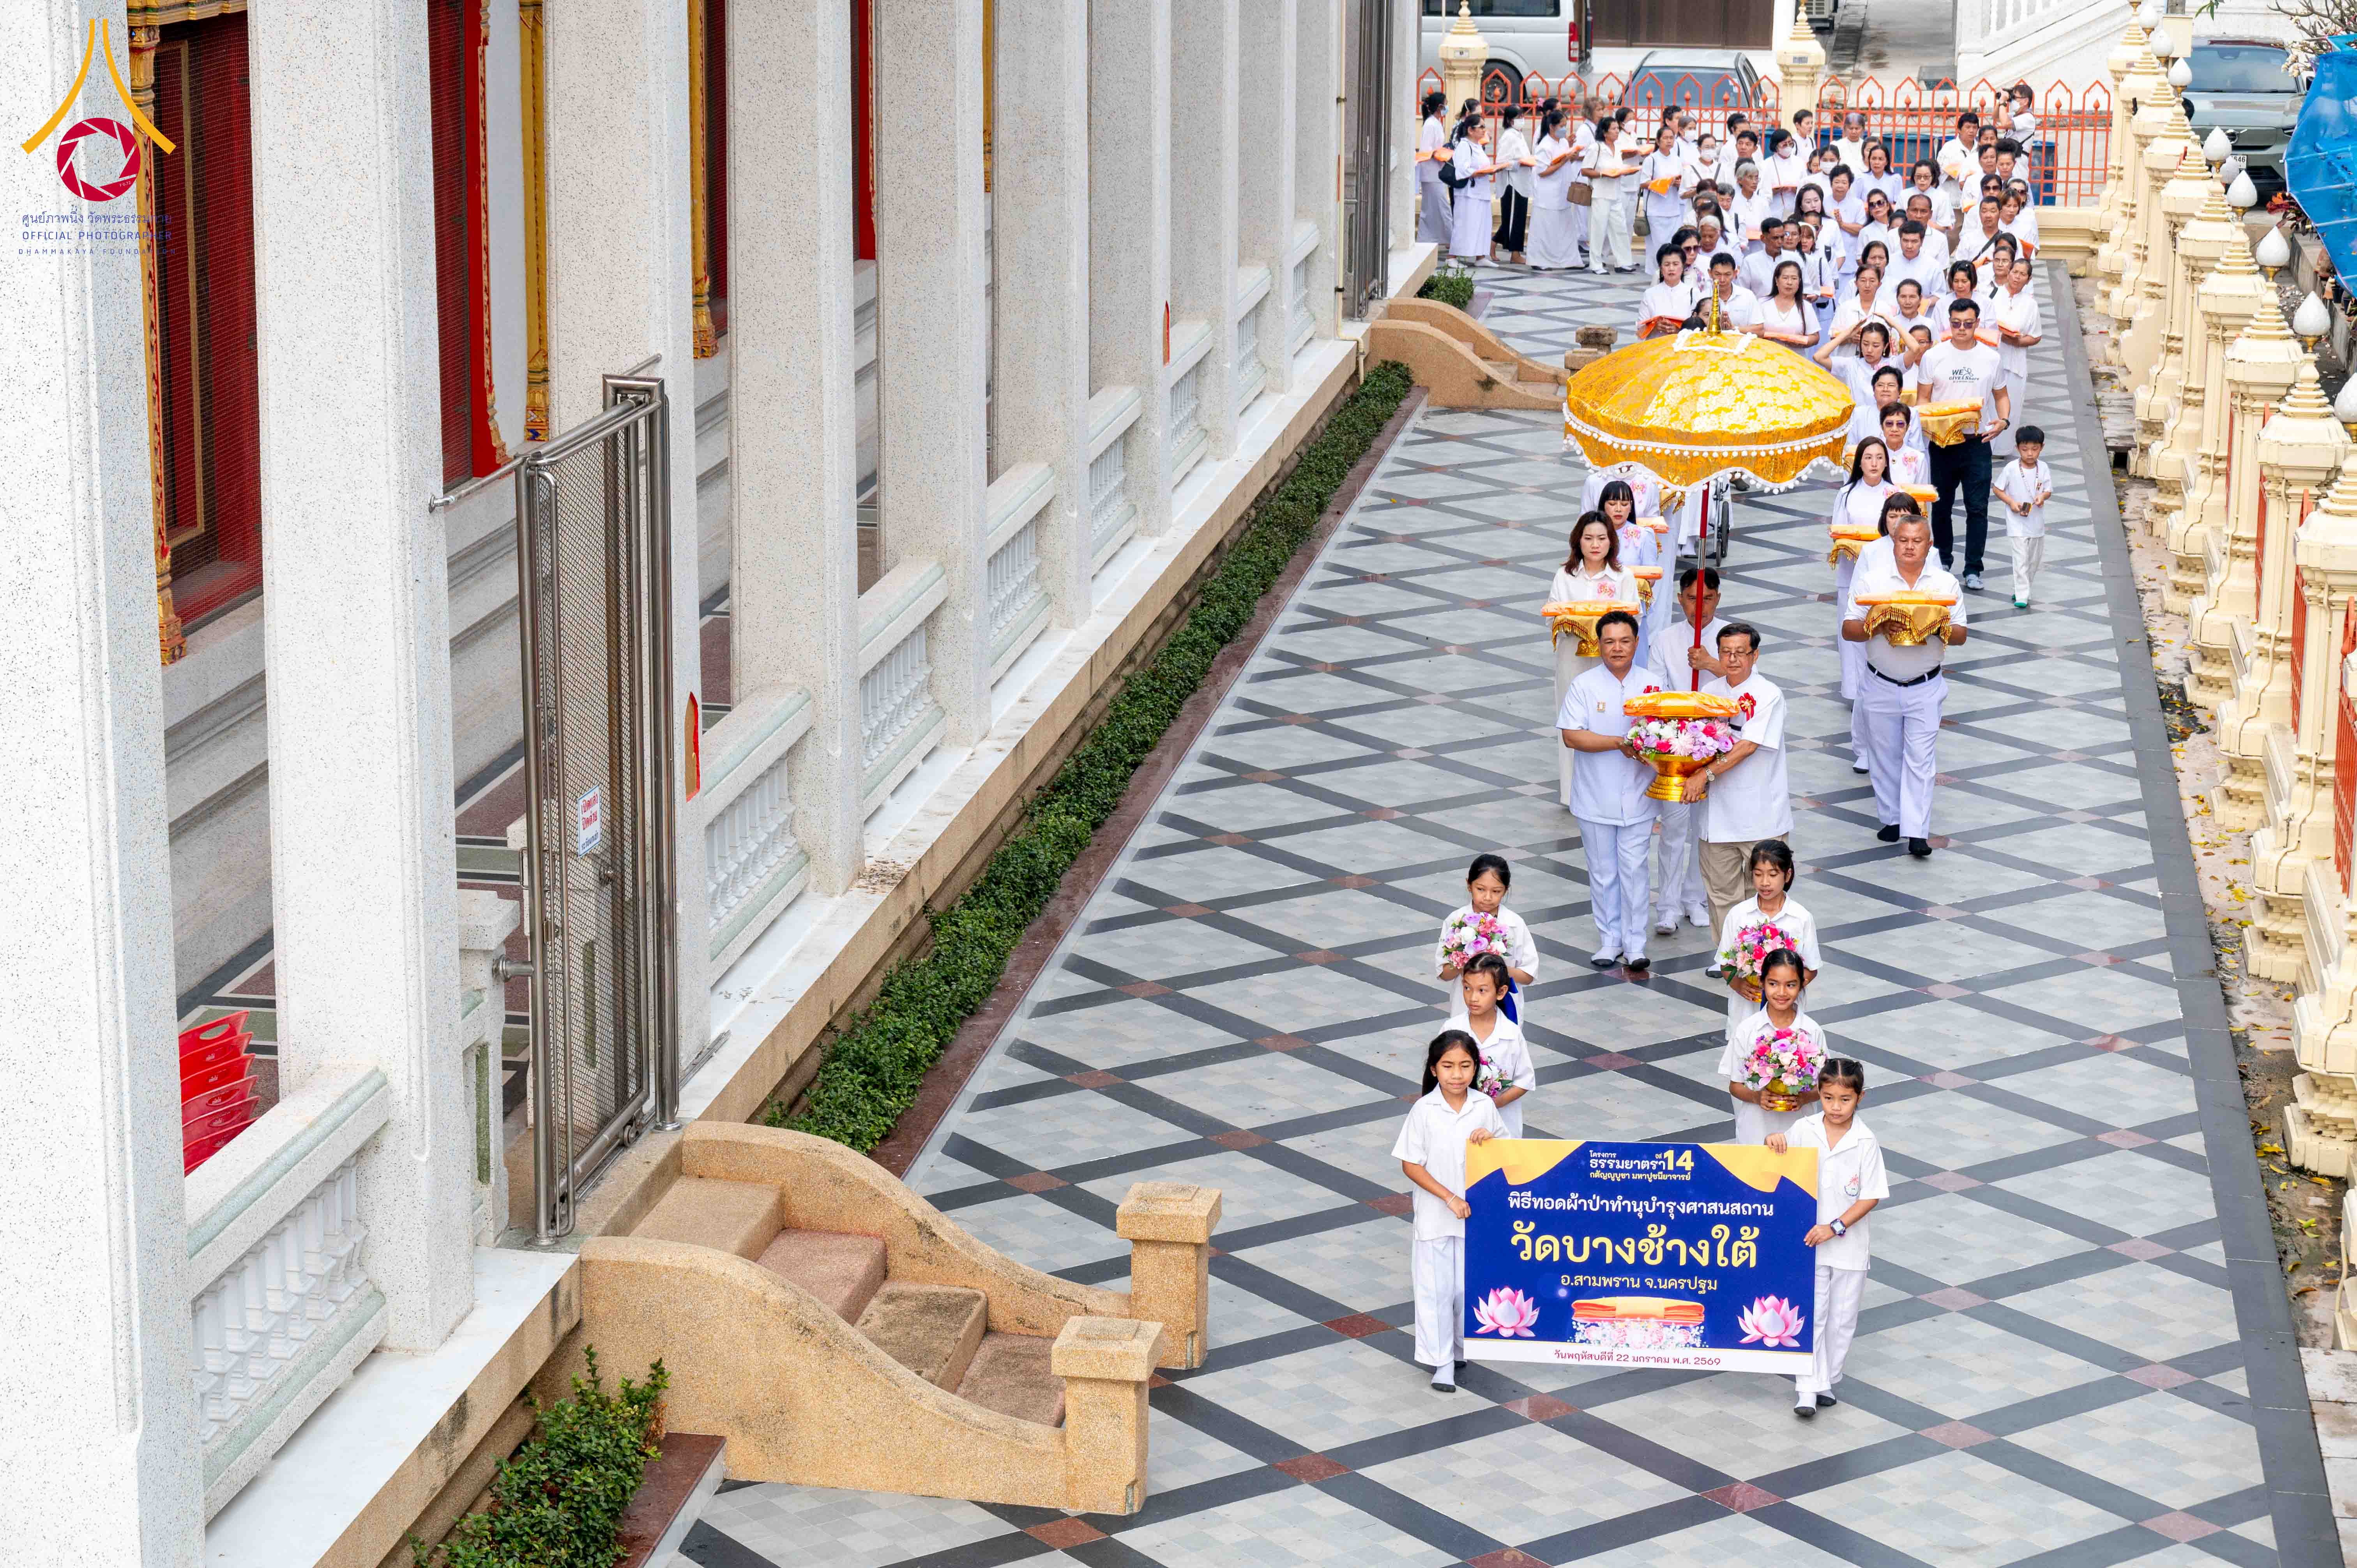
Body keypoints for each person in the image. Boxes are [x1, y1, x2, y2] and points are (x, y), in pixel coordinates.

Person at [1767, 1059, 1887, 1420]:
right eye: (1829, 1097)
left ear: (1860, 1098)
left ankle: (1825, 1381)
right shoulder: (1804, 1129)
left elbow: (1870, 1196)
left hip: (1847, 1244)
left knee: (1843, 1317)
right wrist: (1773, 1140)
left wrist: (1834, 1227)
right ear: (1818, 1094)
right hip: (1808, 1242)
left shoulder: (1866, 1141)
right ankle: (1806, 1388)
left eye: (1845, 1100)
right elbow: (1777, 1154)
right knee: (1814, 1314)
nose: (1836, 1107)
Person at [1843, 513, 1968, 856]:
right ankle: (1893, 818)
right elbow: (1848, 629)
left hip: (1925, 686)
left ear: (1930, 546)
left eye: (1918, 541)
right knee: (1884, 756)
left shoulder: (1945, 584)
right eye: (1904, 540)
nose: (1910, 546)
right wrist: (1879, 627)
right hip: (1879, 683)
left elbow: (1961, 635)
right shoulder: (1873, 581)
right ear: (1893, 543)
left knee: (1920, 760)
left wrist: (1933, 627)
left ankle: (1917, 832)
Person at [1393, 1030, 1505, 1393]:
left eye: (1465, 1066)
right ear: (1434, 1069)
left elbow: (1507, 1152)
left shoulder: (1485, 1106)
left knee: (1464, 1289)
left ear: (1476, 1069)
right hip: (1436, 1217)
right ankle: (1441, 1363)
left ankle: (1460, 1348)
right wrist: (1449, 1198)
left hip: (1474, 1217)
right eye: (1448, 1066)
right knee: (1436, 1291)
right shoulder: (1424, 1110)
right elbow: (1411, 1164)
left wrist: (1489, 1139)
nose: (1457, 1074)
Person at [1558, 611, 1661, 971]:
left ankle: (1636, 943)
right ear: (1598, 644)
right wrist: (1618, 742)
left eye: (1625, 641)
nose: (1617, 648)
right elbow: (1572, 736)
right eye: (1609, 641)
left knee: (1635, 871)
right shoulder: (1584, 686)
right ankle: (1609, 940)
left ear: (1636, 642)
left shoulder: (1654, 685)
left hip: (1639, 796)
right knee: (1603, 873)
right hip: (1594, 797)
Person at [1687, 623, 1791, 944]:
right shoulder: (1708, 694)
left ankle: (1766, 957)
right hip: (1717, 816)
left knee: (1764, 893)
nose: (1732, 660)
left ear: (1755, 655)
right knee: (1721, 894)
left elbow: (1748, 746)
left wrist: (1702, 776)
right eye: (1726, 653)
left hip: (1760, 816)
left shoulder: (1769, 694)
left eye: (1740, 653)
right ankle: (1728, 957)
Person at [1914, 297, 2011, 588]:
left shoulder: (1991, 358)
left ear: (1977, 324)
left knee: (1977, 507)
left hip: (1977, 441)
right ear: (1949, 323)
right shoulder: (1934, 357)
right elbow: (1923, 399)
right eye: (1956, 324)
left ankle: (1973, 568)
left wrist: (2003, 422)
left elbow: (2001, 396)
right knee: (1941, 505)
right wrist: (1930, 426)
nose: (1962, 329)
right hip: (1942, 442)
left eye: (1968, 324)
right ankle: (1943, 559)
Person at [1650, 567, 1724, 935]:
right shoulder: (1665, 639)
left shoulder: (1730, 639)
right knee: (1673, 830)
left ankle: (1695, 897)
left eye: (1708, 599)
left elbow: (1743, 687)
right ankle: (1667, 905)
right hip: (1678, 748)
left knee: (1703, 831)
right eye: (1693, 599)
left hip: (1715, 751)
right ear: (1680, 599)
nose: (1700, 608)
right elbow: (1656, 692)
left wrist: (1712, 664)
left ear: (1718, 599)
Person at [1549, 513, 1639, 808]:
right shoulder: (1565, 575)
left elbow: (1633, 616)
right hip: (1573, 654)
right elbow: (1554, 613)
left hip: (1611, 658)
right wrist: (1578, 623)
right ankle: (1570, 793)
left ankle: (1613, 787)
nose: (1595, 545)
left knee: (1612, 714)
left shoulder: (1623, 576)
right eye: (1589, 538)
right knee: (1573, 719)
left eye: (1602, 538)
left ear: (1611, 542)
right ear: (1579, 541)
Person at [1831, 440, 1900, 772]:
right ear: (1859, 463)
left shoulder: (1895, 496)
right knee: (1861, 669)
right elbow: (1838, 534)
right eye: (1868, 458)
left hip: (1893, 597)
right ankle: (1862, 747)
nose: (1874, 463)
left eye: (1879, 458)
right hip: (1855, 583)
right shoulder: (1846, 495)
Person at [1717, 946, 1825, 1143]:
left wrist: (1804, 1098)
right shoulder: (1747, 1030)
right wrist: (1757, 1097)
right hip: (1756, 1133)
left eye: (1791, 985)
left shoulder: (1812, 1031)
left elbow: (1825, 1086)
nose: (1782, 993)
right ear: (1762, 982)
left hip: (1800, 1136)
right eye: (1773, 984)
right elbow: (1735, 1085)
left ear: (1802, 985)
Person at [1712, 836, 1819, 1026]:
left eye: (1773, 874)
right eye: (1759, 874)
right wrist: (1738, 985)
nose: (1765, 882)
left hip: (1787, 1017)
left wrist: (1786, 990)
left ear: (1787, 876)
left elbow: (1811, 969)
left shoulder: (1801, 918)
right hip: (1745, 1014)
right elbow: (1725, 963)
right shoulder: (1738, 915)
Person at [1436, 852, 1539, 1022]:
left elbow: (1528, 974)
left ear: (1506, 890)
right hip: (1464, 1010)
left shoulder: (1515, 924)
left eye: (1496, 891)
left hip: (1505, 1010)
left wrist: (1495, 971)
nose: (1488, 897)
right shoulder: (1455, 921)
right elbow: (1444, 973)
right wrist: (1464, 961)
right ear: (1469, 885)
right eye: (1481, 889)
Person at [1453, 953, 1535, 1136]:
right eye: (1467, 988)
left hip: (1503, 1122)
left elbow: (1525, 1081)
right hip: (1457, 1119)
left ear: (1501, 992)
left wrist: (1491, 1105)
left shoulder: (1511, 1034)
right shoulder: (1452, 1029)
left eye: (1482, 991)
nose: (1473, 998)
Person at [1987, 252, 2042, 458]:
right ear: (2008, 273)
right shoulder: (1992, 296)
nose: (2017, 277)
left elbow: (2036, 336)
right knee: (1990, 403)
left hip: (2015, 361)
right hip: (1993, 357)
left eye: (2023, 275)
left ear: (2028, 280)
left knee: (2013, 404)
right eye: (2015, 272)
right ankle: (1986, 444)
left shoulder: (2030, 305)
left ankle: (2003, 448)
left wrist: (2017, 341)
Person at [1995, 424, 2053, 608]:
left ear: (2042, 448)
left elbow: (2048, 490)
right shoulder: (2011, 468)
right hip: (2016, 523)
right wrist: (2011, 503)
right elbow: (1997, 488)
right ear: (2017, 448)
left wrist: (2042, 497)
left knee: (2033, 560)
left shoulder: (2043, 468)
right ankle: (2022, 594)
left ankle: (2023, 587)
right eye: (2025, 449)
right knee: (2020, 559)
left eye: (2035, 449)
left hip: (2036, 523)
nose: (2030, 454)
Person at [1528, 109, 1585, 271]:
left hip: (1563, 192)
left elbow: (1567, 164)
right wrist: (1564, 161)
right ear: (1552, 127)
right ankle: (1540, 261)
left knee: (1565, 228)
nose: (1564, 129)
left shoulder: (1564, 143)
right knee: (1546, 228)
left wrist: (1572, 157)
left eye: (1565, 126)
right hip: (1548, 194)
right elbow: (1543, 172)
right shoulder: (1544, 146)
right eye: (1562, 126)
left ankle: (1568, 260)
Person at [1448, 113, 1502, 266]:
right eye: (1482, 127)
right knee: (1465, 224)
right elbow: (1462, 170)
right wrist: (1483, 172)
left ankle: (1480, 257)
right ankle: (1452, 257)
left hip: (1481, 191)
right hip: (1468, 194)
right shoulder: (1464, 145)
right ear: (1471, 130)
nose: (1485, 130)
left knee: (1482, 224)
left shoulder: (1477, 146)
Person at [1585, 112, 1634, 274]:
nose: (1617, 131)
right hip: (1600, 194)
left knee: (1620, 228)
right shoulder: (1596, 148)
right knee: (1598, 230)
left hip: (1616, 193)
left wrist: (1628, 171)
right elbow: (1586, 170)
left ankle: (1623, 262)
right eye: (1613, 129)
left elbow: (1618, 168)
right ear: (1605, 132)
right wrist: (1602, 174)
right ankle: (1596, 264)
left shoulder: (1618, 148)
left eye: (1617, 128)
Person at [1494, 106, 1534, 263]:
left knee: (1518, 218)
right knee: (1514, 219)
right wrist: (1520, 164)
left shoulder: (1518, 135)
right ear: (1511, 120)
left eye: (1523, 116)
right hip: (1513, 184)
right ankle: (1515, 254)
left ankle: (1493, 243)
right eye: (1519, 117)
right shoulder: (1509, 136)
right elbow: (1501, 162)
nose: (1522, 119)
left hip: (1522, 183)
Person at [1640, 124, 1691, 245]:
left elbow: (1681, 183)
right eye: (1665, 138)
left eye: (1672, 138)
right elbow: (1643, 183)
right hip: (1656, 211)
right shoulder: (1651, 159)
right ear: (1658, 141)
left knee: (1673, 246)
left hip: (1674, 209)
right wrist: (1667, 183)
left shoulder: (1677, 160)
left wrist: (1678, 184)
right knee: (1657, 247)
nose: (1669, 141)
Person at [1752, 259, 1818, 351]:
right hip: (1766, 358)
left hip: (1796, 359)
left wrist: (1800, 342)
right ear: (1777, 280)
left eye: (1794, 279)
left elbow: (1815, 337)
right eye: (1785, 278)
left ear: (1799, 282)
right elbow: (1753, 330)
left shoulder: (1806, 306)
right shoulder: (1763, 303)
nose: (1790, 283)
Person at [1638, 244, 1696, 337]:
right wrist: (1655, 326)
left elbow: (1700, 329)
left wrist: (1679, 329)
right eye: (1667, 265)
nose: (1671, 269)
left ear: (1683, 267)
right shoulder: (1650, 294)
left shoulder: (1693, 293)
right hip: (1656, 348)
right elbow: (1640, 333)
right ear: (1661, 268)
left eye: (1676, 264)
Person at [1699, 252, 1759, 330]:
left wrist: (1734, 329)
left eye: (1728, 275)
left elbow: (1760, 330)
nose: (1722, 280)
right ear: (1710, 273)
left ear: (1735, 274)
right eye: (1718, 274)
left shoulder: (1748, 296)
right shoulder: (1701, 297)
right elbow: (1694, 327)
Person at [1936, 111, 1980, 210]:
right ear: (1959, 130)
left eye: (1975, 128)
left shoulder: (1981, 149)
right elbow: (1940, 175)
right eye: (1968, 127)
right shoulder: (1949, 148)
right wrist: (1963, 174)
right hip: (1952, 203)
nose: (1972, 131)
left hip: (1975, 204)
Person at [1737, 216, 1788, 298]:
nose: (1780, 242)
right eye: (1775, 238)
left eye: (1782, 237)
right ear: (1763, 238)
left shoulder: (1794, 259)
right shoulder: (1750, 262)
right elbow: (1743, 292)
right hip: (1759, 309)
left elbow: (1805, 290)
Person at [2007, 83, 2042, 202]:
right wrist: (2001, 102)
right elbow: (1996, 117)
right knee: (2008, 194)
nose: (2012, 101)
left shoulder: (2028, 118)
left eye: (2015, 98)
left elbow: (2005, 124)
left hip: (2019, 159)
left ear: (2026, 101)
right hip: (2009, 159)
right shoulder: (2015, 115)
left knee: (2018, 192)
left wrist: (2003, 102)